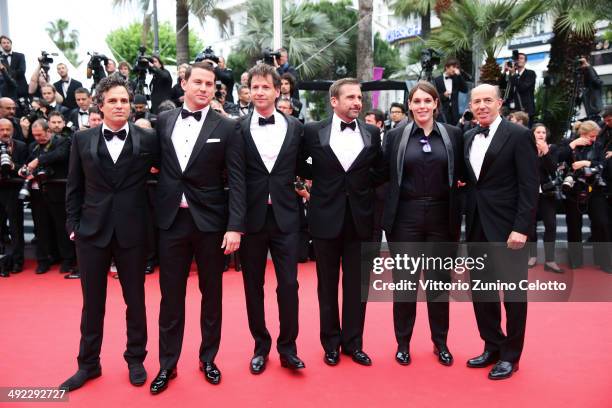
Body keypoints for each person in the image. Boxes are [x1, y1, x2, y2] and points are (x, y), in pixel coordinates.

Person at [150, 62, 246, 394]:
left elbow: (236, 178)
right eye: (199, 82)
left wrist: (235, 226)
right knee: (170, 296)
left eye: (211, 84)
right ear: (184, 83)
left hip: (211, 223)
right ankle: (167, 364)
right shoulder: (162, 121)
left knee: (212, 294)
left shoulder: (228, 126)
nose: (205, 88)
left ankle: (208, 358)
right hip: (171, 221)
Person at [60, 75, 159, 391]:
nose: (120, 106)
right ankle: (88, 364)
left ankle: (136, 359)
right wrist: (73, 225)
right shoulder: (81, 139)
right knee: (93, 303)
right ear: (99, 105)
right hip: (91, 232)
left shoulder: (148, 141)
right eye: (113, 101)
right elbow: (73, 186)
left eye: (124, 101)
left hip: (132, 231)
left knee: (136, 300)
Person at [381, 81, 464, 367]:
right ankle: (402, 344)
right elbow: (382, 176)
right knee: (405, 285)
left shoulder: (453, 134)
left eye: (427, 101)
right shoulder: (395, 136)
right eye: (416, 101)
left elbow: (466, 172)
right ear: (410, 105)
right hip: (406, 218)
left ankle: (440, 342)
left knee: (439, 285)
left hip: (443, 218)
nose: (422, 106)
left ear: (435, 104)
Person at [302, 78, 383, 367]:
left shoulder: (373, 133)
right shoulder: (312, 132)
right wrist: (315, 187)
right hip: (325, 218)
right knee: (327, 285)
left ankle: (354, 343)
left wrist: (360, 190)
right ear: (334, 101)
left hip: (360, 219)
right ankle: (331, 344)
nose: (357, 102)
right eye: (350, 97)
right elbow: (301, 165)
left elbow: (381, 171)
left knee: (357, 286)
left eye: (359, 97)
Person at [463, 84, 538, 380]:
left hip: (509, 229)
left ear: (499, 103)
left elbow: (529, 186)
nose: (482, 106)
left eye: (487, 100)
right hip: (477, 225)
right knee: (482, 292)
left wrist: (521, 228)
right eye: (477, 101)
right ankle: (491, 345)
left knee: (514, 296)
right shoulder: (468, 136)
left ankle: (511, 355)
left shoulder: (518, 135)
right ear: (471, 104)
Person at [238, 64, 307, 375]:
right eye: (256, 87)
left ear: (278, 90)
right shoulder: (236, 128)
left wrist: (309, 189)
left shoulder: (296, 127)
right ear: (249, 91)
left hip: (286, 217)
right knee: (253, 285)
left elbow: (308, 166)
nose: (260, 92)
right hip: (251, 218)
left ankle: (288, 348)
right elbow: (234, 177)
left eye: (266, 87)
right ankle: (260, 345)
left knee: (289, 285)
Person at [19, 118, 75, 274]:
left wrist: (38, 160)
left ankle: (67, 260)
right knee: (41, 229)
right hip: (37, 194)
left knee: (61, 228)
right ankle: (43, 260)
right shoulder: (33, 146)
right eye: (35, 135)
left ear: (49, 131)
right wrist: (24, 169)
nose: (38, 138)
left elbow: (60, 156)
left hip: (57, 193)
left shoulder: (62, 142)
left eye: (41, 135)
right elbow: (28, 163)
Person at [557, 120, 611, 273]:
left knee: (602, 223)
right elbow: (559, 158)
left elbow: (602, 164)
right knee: (574, 225)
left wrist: (585, 163)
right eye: (591, 136)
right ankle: (575, 261)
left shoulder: (598, 145)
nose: (594, 139)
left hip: (595, 189)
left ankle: (605, 261)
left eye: (595, 136)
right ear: (583, 134)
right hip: (573, 190)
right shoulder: (569, 143)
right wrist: (573, 145)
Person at [527, 124, 563, 273]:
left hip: (547, 194)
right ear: (532, 134)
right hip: (529, 194)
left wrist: (546, 152)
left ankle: (550, 260)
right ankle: (532, 256)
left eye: (543, 132)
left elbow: (553, 169)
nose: (541, 134)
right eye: (538, 132)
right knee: (531, 227)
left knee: (551, 225)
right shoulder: (526, 148)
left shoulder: (552, 149)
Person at [0, 118, 27, 277]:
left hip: (14, 191)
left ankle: (17, 261)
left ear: (13, 130)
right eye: (1, 130)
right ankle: (3, 261)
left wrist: (12, 166)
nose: (5, 133)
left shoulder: (21, 146)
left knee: (16, 228)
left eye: (8, 130)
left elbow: (25, 168)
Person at [500, 53, 536, 125]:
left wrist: (513, 74)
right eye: (517, 58)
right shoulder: (512, 75)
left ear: (525, 61)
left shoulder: (530, 73)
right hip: (511, 110)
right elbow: (501, 85)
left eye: (521, 58)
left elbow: (522, 87)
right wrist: (505, 71)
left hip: (524, 109)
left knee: (524, 132)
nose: (519, 60)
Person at [433, 58, 468, 126]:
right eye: (453, 67)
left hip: (455, 113)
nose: (455, 69)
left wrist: (459, 75)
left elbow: (465, 89)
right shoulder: (437, 80)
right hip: (442, 113)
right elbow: (434, 97)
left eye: (457, 67)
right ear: (447, 67)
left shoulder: (457, 78)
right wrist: (443, 95)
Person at [579, 57, 603, 121]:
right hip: (583, 119)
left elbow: (596, 81)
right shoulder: (581, 88)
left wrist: (589, 67)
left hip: (594, 117)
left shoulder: (594, 86)